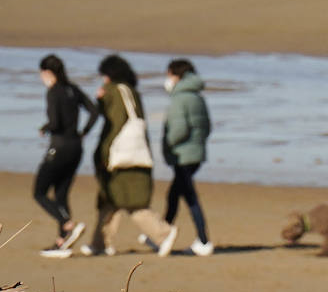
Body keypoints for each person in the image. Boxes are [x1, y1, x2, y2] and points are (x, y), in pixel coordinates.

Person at [81, 54, 178, 257]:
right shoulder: (132, 92)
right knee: (111, 202)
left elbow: (114, 124)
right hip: (136, 156)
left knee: (131, 203)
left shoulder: (114, 91)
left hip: (121, 160)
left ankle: (163, 233)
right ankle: (100, 243)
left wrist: (103, 154)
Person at [35, 55, 99, 258]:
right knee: (61, 194)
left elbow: (55, 123)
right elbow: (94, 111)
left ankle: (67, 224)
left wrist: (45, 128)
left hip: (59, 147)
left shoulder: (54, 92)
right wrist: (84, 131)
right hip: (76, 147)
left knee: (40, 192)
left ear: (47, 73)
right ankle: (62, 242)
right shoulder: (73, 89)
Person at [162, 59, 214, 256]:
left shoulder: (180, 98)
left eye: (169, 75)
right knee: (174, 195)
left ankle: (203, 240)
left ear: (177, 76)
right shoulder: (197, 97)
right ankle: (162, 232)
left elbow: (179, 129)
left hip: (183, 155)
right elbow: (207, 127)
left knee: (189, 197)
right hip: (196, 153)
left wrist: (168, 143)